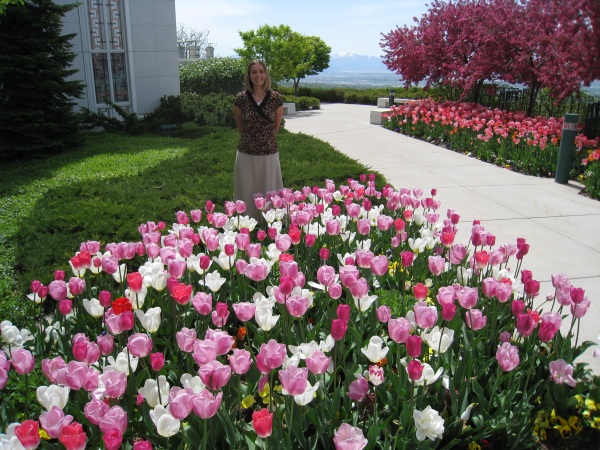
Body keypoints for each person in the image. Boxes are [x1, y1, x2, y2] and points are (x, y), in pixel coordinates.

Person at [233, 60, 284, 221]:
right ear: (248, 76)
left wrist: (264, 141)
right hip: (246, 154)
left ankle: (270, 222)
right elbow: (241, 127)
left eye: (261, 71)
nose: (258, 75)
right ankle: (247, 223)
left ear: (266, 74)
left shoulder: (276, 99)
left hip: (269, 153)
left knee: (269, 188)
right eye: (253, 72)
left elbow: (275, 128)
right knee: (247, 189)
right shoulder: (241, 99)